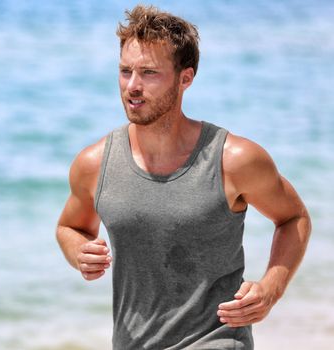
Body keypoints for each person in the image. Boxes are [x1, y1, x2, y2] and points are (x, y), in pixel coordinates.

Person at [55, 4, 312, 350]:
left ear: (185, 78)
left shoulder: (233, 159)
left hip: (218, 340)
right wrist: (80, 252)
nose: (132, 86)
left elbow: (293, 216)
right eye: (125, 71)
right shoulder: (94, 164)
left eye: (149, 73)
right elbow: (70, 227)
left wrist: (271, 287)